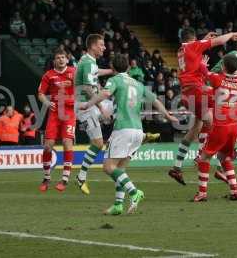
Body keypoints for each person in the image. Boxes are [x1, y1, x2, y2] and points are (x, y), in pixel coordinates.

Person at [80, 55, 178, 215]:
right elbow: (155, 100)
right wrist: (167, 115)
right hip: (138, 131)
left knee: (108, 167)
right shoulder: (138, 83)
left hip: (123, 130)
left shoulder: (115, 80)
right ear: (127, 67)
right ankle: (118, 205)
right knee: (120, 169)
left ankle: (134, 192)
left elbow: (105, 94)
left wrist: (88, 104)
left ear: (113, 67)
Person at [168, 28, 237, 184]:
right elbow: (219, 41)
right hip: (197, 90)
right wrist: (231, 35)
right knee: (221, 106)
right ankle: (202, 155)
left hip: (186, 93)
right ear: (193, 38)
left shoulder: (181, 50)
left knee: (196, 127)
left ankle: (176, 168)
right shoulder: (193, 46)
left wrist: (203, 41)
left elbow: (195, 54)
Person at [194, 53, 237, 202]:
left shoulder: (218, 78)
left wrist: (202, 63)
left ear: (223, 66)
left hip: (221, 124)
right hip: (234, 126)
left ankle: (202, 193)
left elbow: (205, 73)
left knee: (204, 158)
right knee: (224, 157)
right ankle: (235, 190)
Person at [74, 34, 114, 195]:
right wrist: (100, 107)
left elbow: (96, 72)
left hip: (87, 106)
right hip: (85, 107)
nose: (104, 47)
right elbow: (88, 89)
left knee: (116, 107)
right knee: (98, 143)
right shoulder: (89, 63)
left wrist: (112, 70)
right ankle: (81, 176)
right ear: (92, 46)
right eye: (101, 45)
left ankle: (117, 143)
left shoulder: (88, 61)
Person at [38, 49, 76, 192]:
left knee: (67, 142)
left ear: (67, 60)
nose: (61, 60)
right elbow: (41, 94)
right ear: (54, 61)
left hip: (69, 112)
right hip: (54, 113)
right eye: (58, 58)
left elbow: (85, 84)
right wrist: (47, 103)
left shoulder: (74, 72)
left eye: (63, 57)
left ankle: (65, 178)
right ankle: (47, 177)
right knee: (48, 146)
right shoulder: (49, 75)